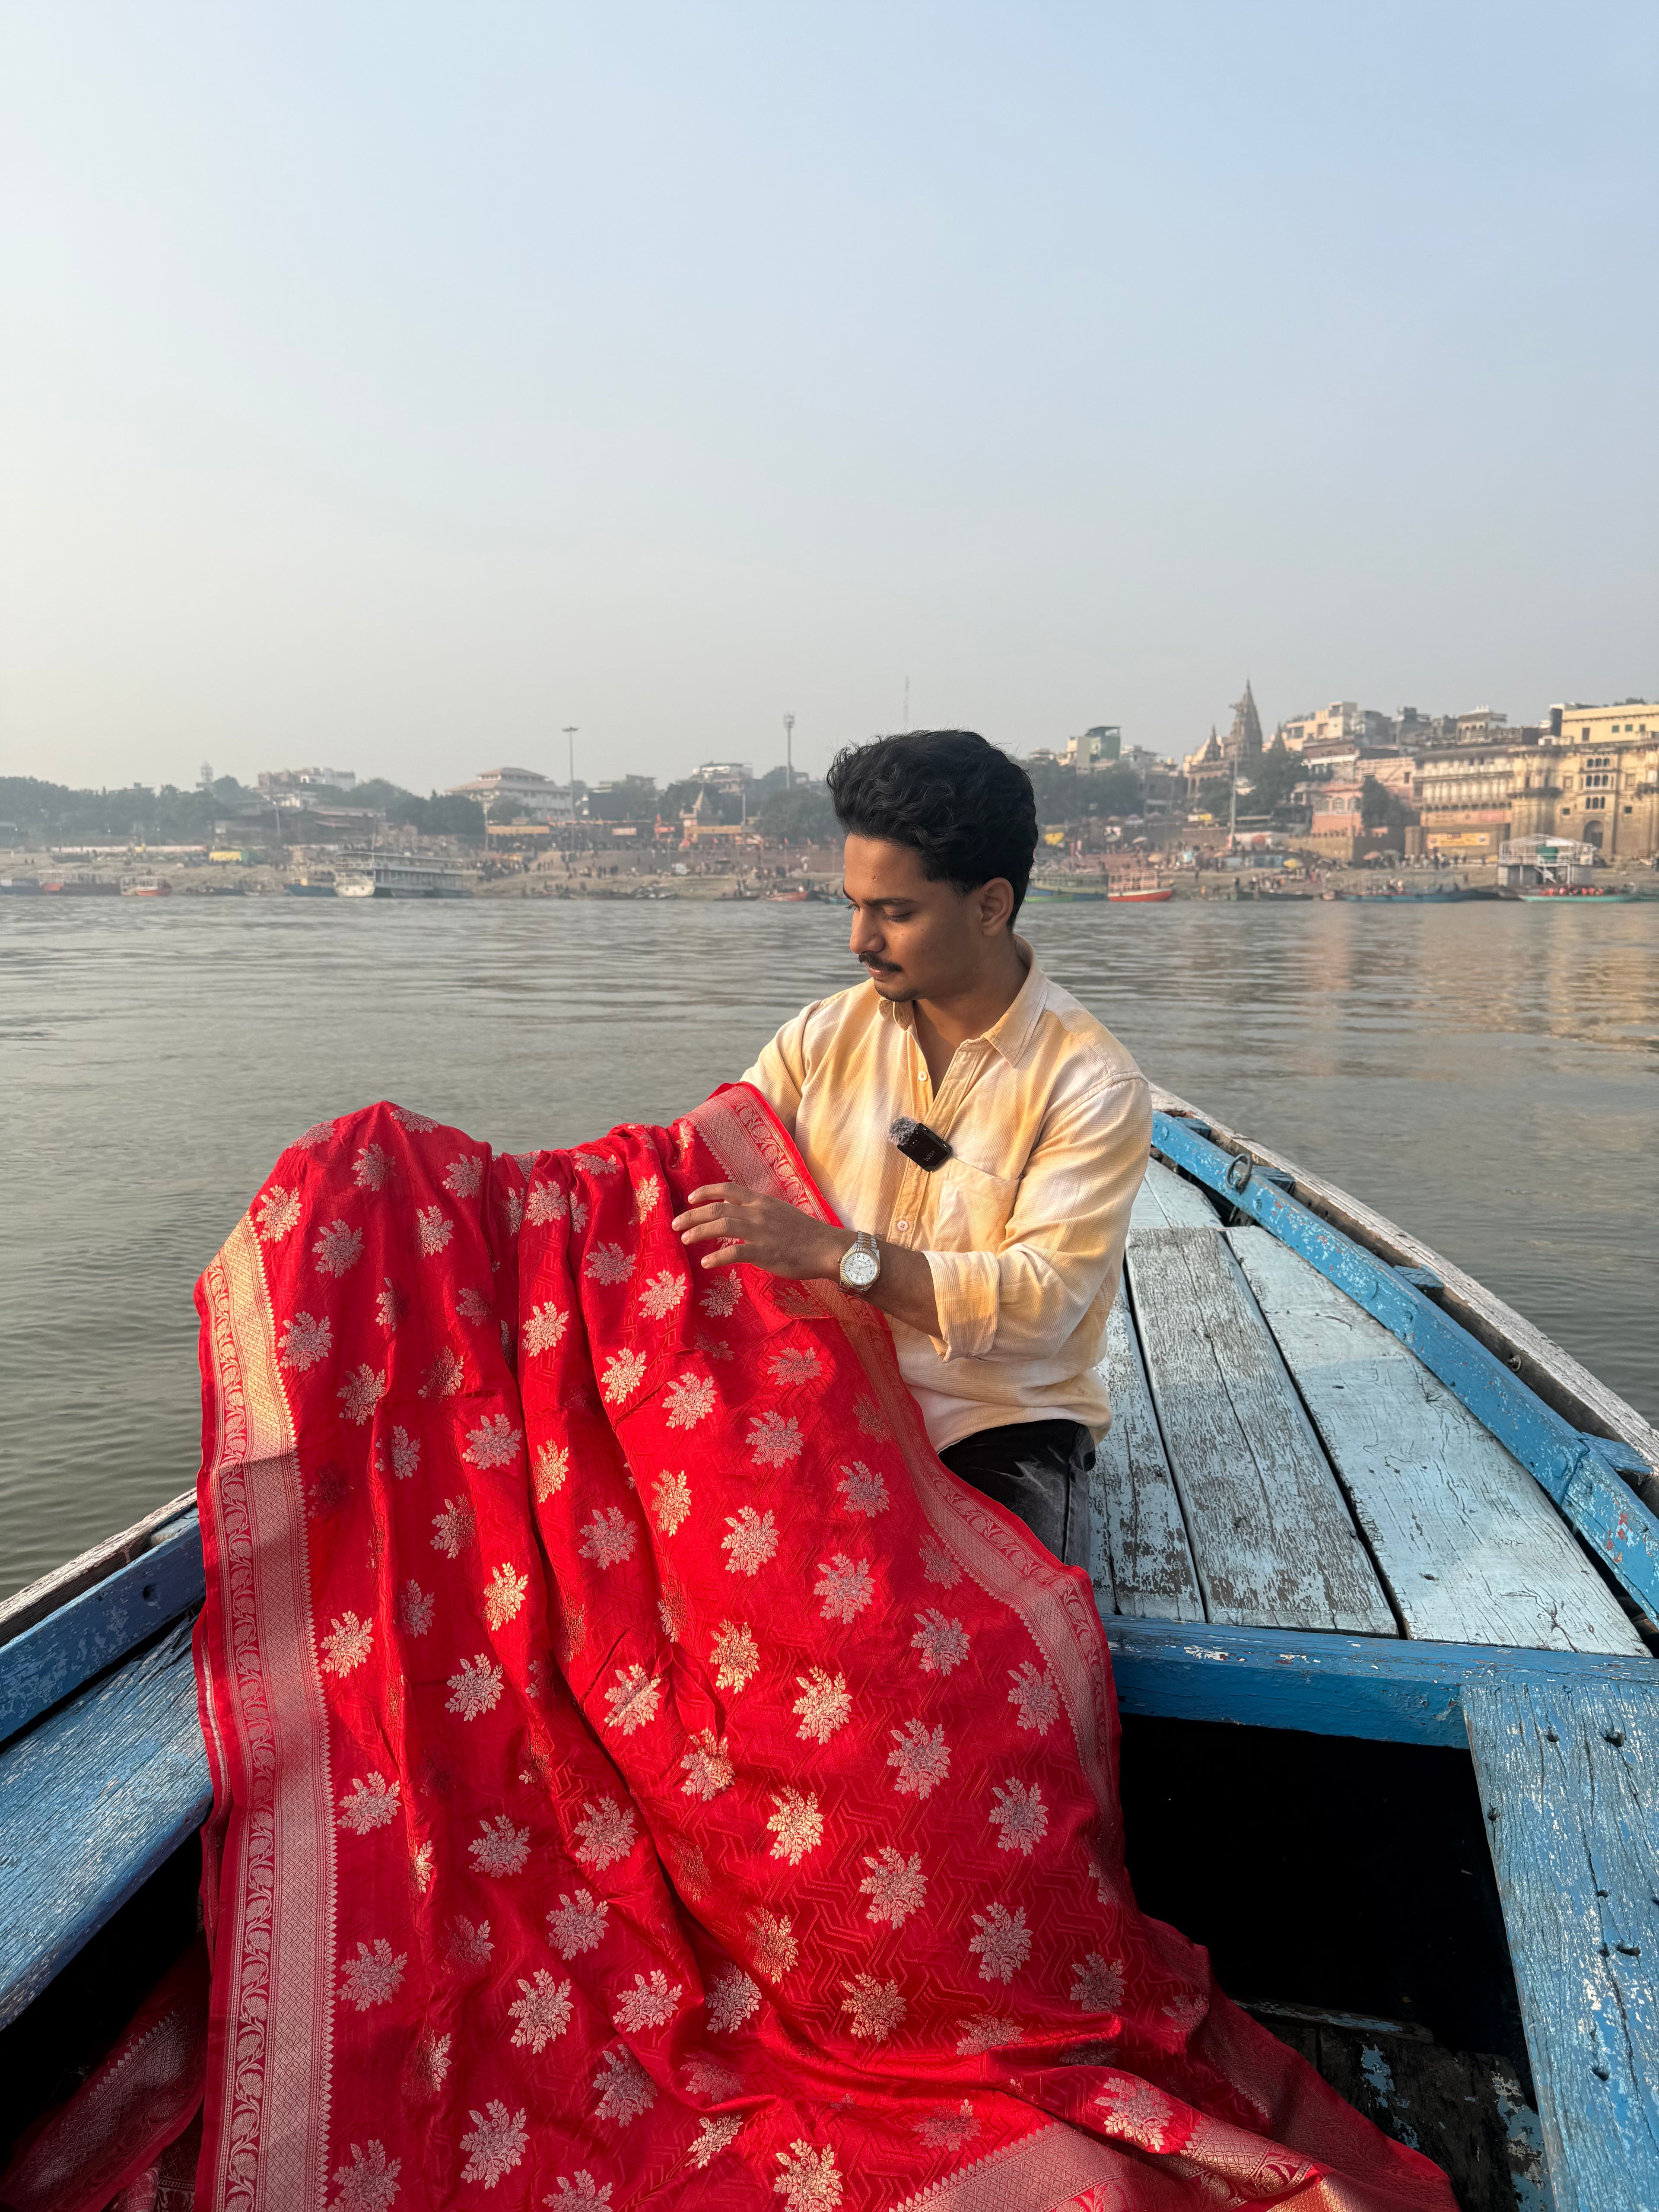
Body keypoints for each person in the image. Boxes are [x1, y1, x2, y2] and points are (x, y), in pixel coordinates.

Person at [670, 728, 1151, 1572]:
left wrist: (831, 1254)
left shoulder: (1092, 1083)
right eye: (853, 904)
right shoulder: (824, 1034)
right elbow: (694, 1163)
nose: (860, 939)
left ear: (991, 906)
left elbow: (1039, 1307)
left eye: (895, 913)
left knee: (975, 1634)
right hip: (821, 1394)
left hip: (997, 1426)